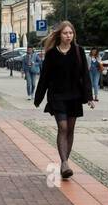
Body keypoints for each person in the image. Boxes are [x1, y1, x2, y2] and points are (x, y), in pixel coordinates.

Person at [34, 21, 96, 179]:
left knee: (70, 129)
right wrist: (38, 97)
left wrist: (89, 97)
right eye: (65, 33)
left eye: (71, 33)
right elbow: (45, 77)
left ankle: (65, 162)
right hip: (57, 96)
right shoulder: (52, 54)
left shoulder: (78, 51)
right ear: (59, 35)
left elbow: (85, 75)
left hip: (74, 96)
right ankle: (64, 163)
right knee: (63, 127)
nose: (68, 36)